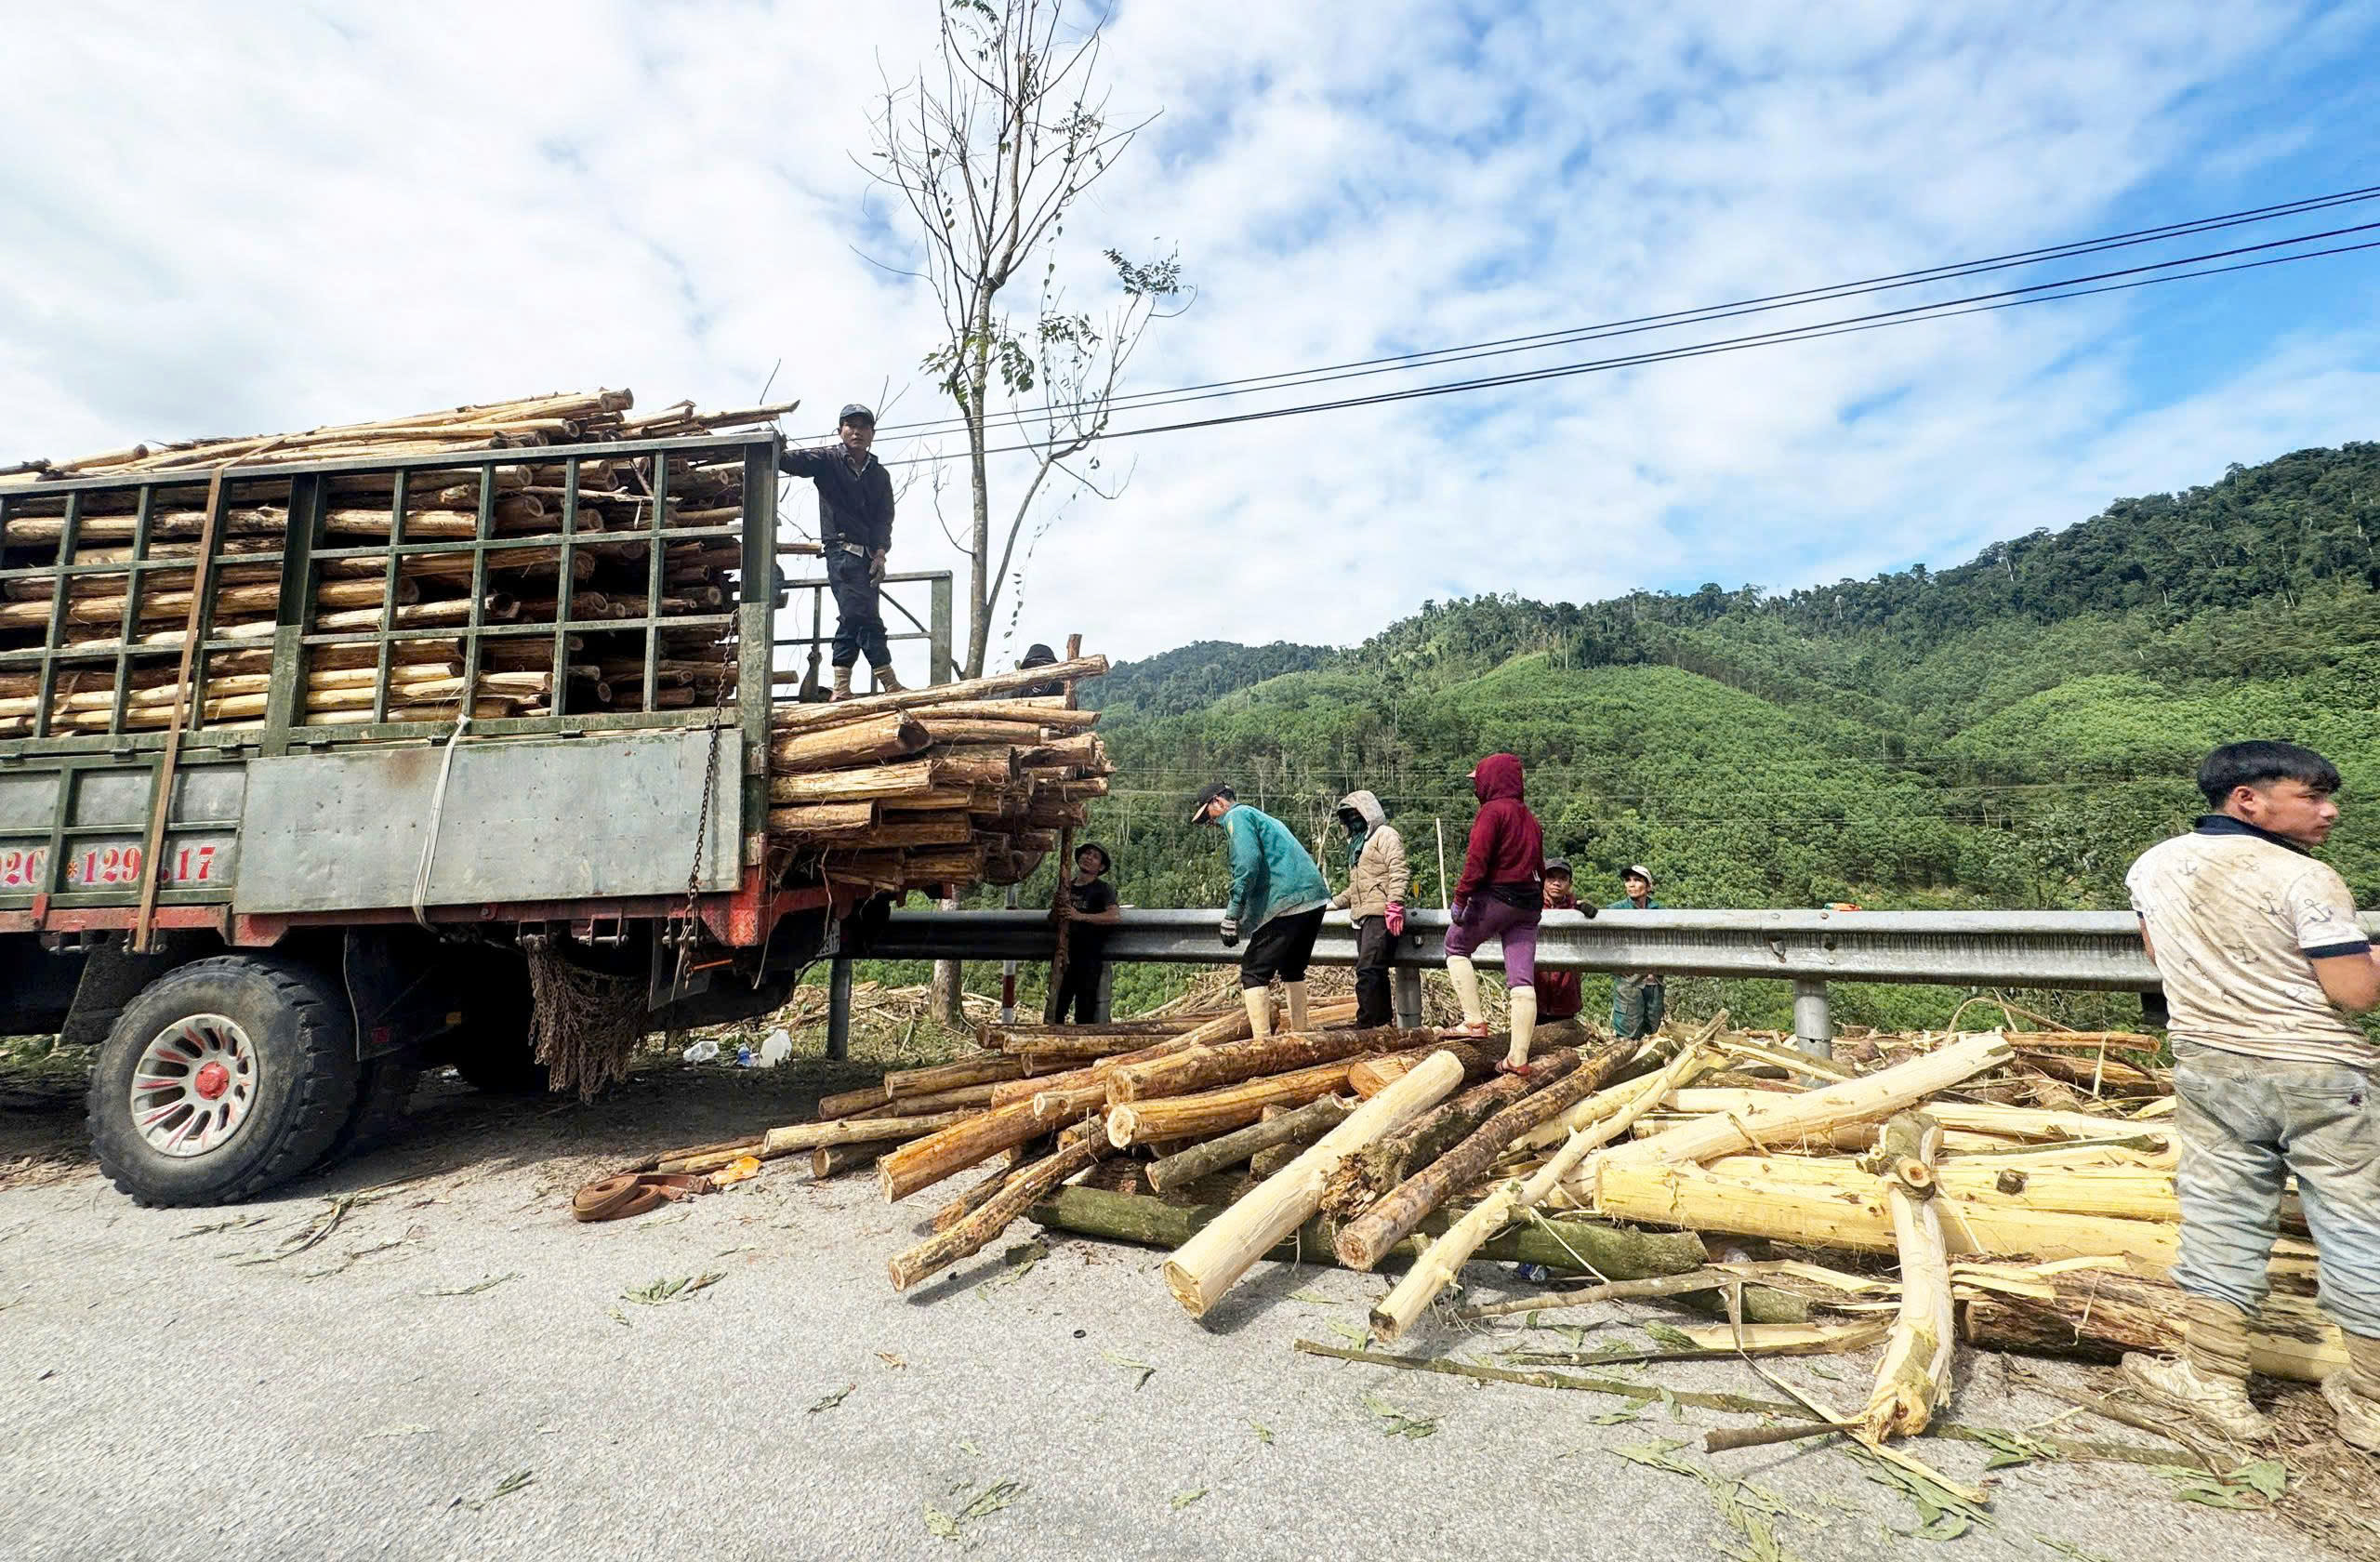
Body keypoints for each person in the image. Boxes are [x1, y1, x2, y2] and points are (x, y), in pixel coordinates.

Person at [2120, 740, 2380, 1449]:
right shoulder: (2306, 877)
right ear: (2248, 800)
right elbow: (2353, 993)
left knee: (2220, 1212)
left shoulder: (2153, 865)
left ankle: (2213, 1379)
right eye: (2312, 798)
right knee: (2357, 1225)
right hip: (2317, 1074)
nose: (2329, 812)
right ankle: (2372, 1402)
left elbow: (2160, 955)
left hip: (2211, 1063)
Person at [778, 404, 901, 701]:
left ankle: (848, 687)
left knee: (859, 616)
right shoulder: (827, 460)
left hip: (868, 557)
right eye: (850, 426)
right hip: (841, 553)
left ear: (872, 434)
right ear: (840, 431)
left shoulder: (879, 475)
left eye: (863, 426)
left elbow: (884, 518)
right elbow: (792, 462)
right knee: (861, 616)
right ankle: (881, 682)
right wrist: (776, 446)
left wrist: (881, 553)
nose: (857, 431)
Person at [1190, 783, 1331, 1039]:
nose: (1211, 825)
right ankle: (1301, 1036)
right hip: (1313, 898)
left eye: (1208, 817)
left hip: (1288, 901)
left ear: (1218, 803)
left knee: (1253, 971)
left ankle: (1261, 1044)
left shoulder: (1237, 816)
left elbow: (1247, 865)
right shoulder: (1263, 817)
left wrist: (1233, 913)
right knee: (1293, 969)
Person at [1443, 753, 1545, 1076]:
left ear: (1491, 780)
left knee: (1456, 946)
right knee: (1521, 979)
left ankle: (1473, 1021)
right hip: (1529, 903)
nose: (1476, 787)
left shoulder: (1491, 812)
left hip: (1498, 897)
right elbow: (1540, 866)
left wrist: (1461, 898)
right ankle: (1518, 1058)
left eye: (1479, 780)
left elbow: (1477, 861)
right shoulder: (1529, 818)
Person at [1330, 790, 1408, 1028]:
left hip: (1380, 912)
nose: (1353, 819)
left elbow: (1399, 870)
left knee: (1367, 970)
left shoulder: (1385, 835)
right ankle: (1382, 1024)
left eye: (1357, 813)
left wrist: (1395, 902)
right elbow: (1356, 887)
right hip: (1361, 915)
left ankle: (1366, 1024)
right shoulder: (1357, 843)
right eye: (1349, 815)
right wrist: (1335, 903)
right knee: (1376, 971)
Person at [1046, 842, 1122, 1024]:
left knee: (1084, 1012)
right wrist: (1057, 909)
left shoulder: (1103, 889)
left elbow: (1114, 916)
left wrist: (1080, 916)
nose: (1089, 858)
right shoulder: (1066, 888)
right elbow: (1052, 920)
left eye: (1095, 857)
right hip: (1063, 956)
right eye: (1087, 854)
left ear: (1101, 867)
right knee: (1057, 1008)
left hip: (1088, 959)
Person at [1535, 859, 1594, 1037]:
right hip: (1535, 989)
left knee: (1562, 1051)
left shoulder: (1577, 909)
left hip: (1565, 991)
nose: (1556, 883)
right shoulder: (1530, 905)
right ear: (1543, 880)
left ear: (1570, 884)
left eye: (1562, 879)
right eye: (1551, 877)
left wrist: (1587, 911)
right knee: (1532, 1045)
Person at [1607, 865, 1666, 1039]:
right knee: (1627, 1034)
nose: (1631, 885)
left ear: (1648, 886)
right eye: (1628, 880)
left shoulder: (1661, 912)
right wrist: (1617, 965)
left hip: (1654, 980)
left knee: (1652, 1033)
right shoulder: (1614, 911)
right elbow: (1603, 943)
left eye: (1637, 880)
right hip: (1629, 980)